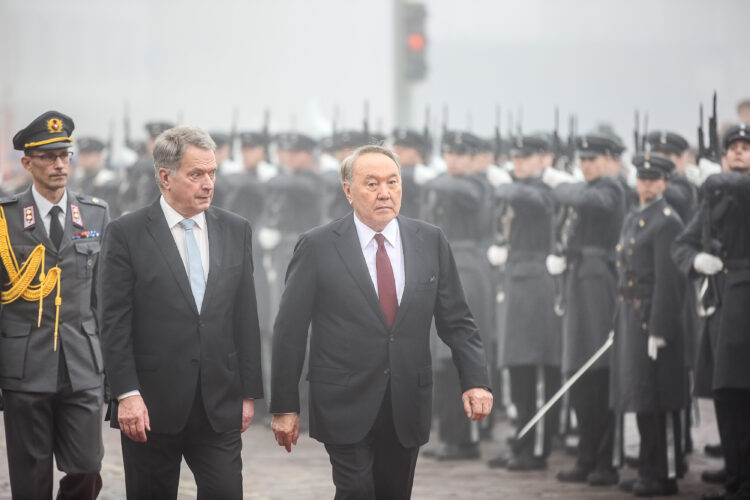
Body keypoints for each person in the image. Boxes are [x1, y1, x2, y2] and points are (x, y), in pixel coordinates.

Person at [269, 144, 493, 500]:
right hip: (343, 400)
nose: (384, 192)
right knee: (356, 490)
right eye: (371, 183)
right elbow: (289, 330)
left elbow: (458, 320)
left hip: (406, 401)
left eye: (392, 182)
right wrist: (284, 406)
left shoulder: (429, 241)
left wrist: (476, 381)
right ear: (348, 190)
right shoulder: (318, 246)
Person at [99, 125, 263, 499]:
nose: (208, 184)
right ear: (165, 177)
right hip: (150, 407)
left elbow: (244, 315)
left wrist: (248, 392)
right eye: (196, 174)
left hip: (217, 404)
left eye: (212, 173)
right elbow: (113, 321)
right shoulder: (128, 232)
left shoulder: (236, 230)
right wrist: (126, 393)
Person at [1, 110, 109, 499]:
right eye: (48, 157)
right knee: (30, 482)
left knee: (87, 467)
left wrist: (110, 370)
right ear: (27, 163)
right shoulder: (6, 218)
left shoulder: (95, 213)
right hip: (25, 366)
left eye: (64, 155)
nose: (59, 164)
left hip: (81, 364)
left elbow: (103, 298)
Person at [673, 123, 750, 500]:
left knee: (745, 394)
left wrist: (715, 178)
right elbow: (682, 243)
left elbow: (742, 187)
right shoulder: (713, 195)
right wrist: (695, 259)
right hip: (720, 305)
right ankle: (735, 474)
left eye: (745, 147)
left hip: (746, 303)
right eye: (732, 147)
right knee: (725, 394)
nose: (739, 152)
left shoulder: (738, 187)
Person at [545, 132, 626, 487]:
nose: (587, 164)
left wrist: (563, 184)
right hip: (577, 282)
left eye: (593, 159)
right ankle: (587, 455)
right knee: (578, 372)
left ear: (610, 160)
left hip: (600, 285)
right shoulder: (585, 189)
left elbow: (591, 201)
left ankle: (605, 460)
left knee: (600, 372)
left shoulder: (611, 189)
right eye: (584, 160)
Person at [611, 153, 687, 497]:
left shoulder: (667, 221)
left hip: (653, 316)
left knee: (661, 397)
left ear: (665, 183)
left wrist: (660, 328)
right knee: (641, 395)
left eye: (654, 179)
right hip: (632, 314)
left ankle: (665, 473)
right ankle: (647, 468)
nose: (646, 185)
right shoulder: (634, 217)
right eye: (642, 178)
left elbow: (669, 282)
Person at [486, 135, 562, 471]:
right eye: (516, 158)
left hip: (536, 284)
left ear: (542, 159)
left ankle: (538, 447)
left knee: (538, 366)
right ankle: (522, 440)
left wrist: (505, 185)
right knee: (517, 367)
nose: (519, 163)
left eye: (526, 157)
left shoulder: (545, 189)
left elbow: (533, 200)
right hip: (514, 280)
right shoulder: (517, 189)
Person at [420, 131, 495, 461]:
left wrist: (429, 178)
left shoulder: (477, 184)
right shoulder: (443, 184)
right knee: (444, 360)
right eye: (448, 153)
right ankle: (451, 435)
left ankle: (469, 437)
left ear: (471, 158)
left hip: (468, 269)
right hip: (445, 267)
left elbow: (463, 191)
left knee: (461, 354)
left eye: (459, 155)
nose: (452, 160)